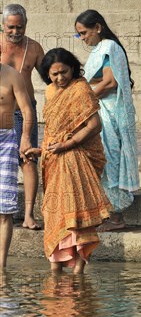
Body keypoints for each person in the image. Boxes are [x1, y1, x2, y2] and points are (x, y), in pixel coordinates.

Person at [25, 48, 111, 273]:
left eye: (64, 72)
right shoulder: (51, 92)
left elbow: (94, 126)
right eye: (54, 74)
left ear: (72, 68)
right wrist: (41, 150)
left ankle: (78, 272)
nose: (60, 78)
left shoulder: (81, 89)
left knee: (77, 215)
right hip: (55, 162)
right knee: (56, 214)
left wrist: (68, 145)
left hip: (77, 158)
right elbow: (54, 133)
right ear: (47, 75)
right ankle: (56, 268)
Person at [75, 10, 139, 232]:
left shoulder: (110, 47)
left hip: (111, 113)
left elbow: (111, 83)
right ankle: (104, 211)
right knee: (101, 159)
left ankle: (117, 216)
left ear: (98, 28)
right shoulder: (99, 49)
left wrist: (84, 99)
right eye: (79, 35)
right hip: (101, 112)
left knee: (110, 159)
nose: (83, 38)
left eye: (84, 33)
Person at [1, 4, 45, 230]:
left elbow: (50, 77)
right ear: (3, 25)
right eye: (11, 27)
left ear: (26, 25)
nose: (15, 32)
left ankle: (28, 215)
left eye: (19, 27)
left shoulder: (35, 48)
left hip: (26, 111)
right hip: (3, 114)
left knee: (28, 161)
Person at [0, 64, 34, 268]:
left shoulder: (12, 75)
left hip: (5, 142)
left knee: (4, 208)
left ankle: (1, 269)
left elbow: (27, 109)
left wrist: (25, 138)